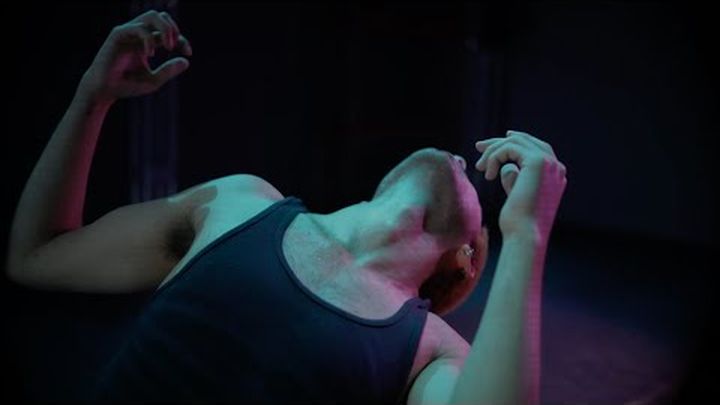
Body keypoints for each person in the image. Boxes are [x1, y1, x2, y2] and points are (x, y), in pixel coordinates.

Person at [5, 10, 567, 405]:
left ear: (467, 257)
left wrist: (527, 236)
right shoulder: (240, 202)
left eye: (472, 183)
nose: (461, 160)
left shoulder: (430, 351)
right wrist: (92, 97)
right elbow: (37, 255)